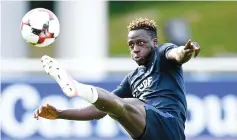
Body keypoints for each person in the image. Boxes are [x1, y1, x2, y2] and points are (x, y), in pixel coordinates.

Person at [33, 18, 200, 140]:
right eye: (131, 45)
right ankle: (78, 89)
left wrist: (185, 52)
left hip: (169, 125)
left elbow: (176, 55)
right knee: (115, 106)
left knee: (125, 105)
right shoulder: (132, 78)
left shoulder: (162, 54)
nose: (135, 49)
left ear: (154, 43)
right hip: (147, 134)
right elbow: (100, 110)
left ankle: (77, 87)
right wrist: (60, 114)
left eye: (140, 43)